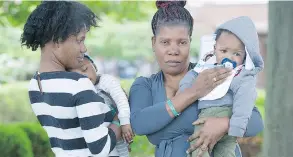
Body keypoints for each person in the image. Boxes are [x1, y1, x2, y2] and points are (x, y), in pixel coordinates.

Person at [129, 1, 264, 157]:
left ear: (190, 42)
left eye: (182, 42)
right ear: (154, 43)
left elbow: (256, 122)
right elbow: (139, 124)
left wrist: (224, 124)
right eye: (165, 42)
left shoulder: (213, 74)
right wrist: (194, 92)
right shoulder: (145, 85)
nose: (173, 51)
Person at [23, 1, 121, 156]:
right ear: (57, 40)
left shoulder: (35, 84)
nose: (84, 48)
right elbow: (100, 149)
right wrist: (118, 120)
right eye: (79, 40)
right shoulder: (79, 84)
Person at [180, 16, 264, 157]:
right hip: (209, 116)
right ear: (214, 48)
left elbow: (245, 101)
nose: (229, 58)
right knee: (226, 152)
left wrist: (236, 126)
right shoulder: (207, 65)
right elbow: (190, 79)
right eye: (223, 51)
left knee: (199, 148)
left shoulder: (241, 75)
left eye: (236, 53)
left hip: (222, 117)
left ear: (245, 56)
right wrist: (185, 91)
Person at [70, 54, 134, 157]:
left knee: (122, 152)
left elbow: (121, 99)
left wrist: (125, 122)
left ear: (94, 67)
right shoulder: (79, 93)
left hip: (116, 130)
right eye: (78, 77)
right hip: (98, 139)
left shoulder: (105, 81)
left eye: (85, 69)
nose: (84, 77)